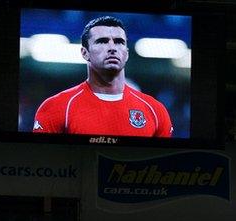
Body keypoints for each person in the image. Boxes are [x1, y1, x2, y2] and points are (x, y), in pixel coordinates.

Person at [32, 15, 173, 137]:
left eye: (119, 42)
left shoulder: (156, 110)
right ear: (84, 53)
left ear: (127, 53)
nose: (112, 48)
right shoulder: (57, 107)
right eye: (102, 41)